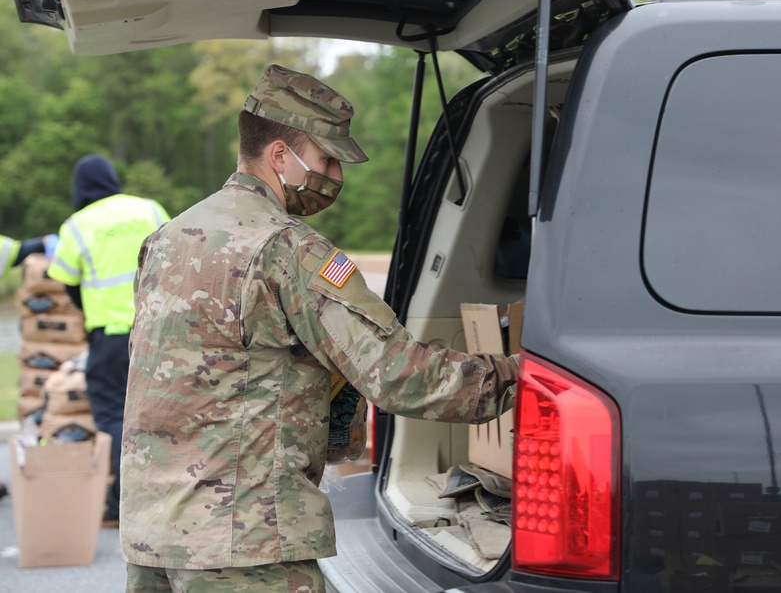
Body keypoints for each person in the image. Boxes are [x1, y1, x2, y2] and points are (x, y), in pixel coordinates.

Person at [120, 64, 518, 593]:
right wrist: (521, 373)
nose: (336, 176)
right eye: (327, 158)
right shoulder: (289, 249)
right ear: (280, 155)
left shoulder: (167, 239)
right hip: (245, 548)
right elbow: (397, 374)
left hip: (154, 539)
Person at [46, 154, 170, 529]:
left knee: (115, 415)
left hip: (113, 337)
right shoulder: (148, 209)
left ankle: (122, 505)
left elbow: (65, 278)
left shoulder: (77, 225)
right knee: (165, 410)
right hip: (162, 330)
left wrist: (87, 312)